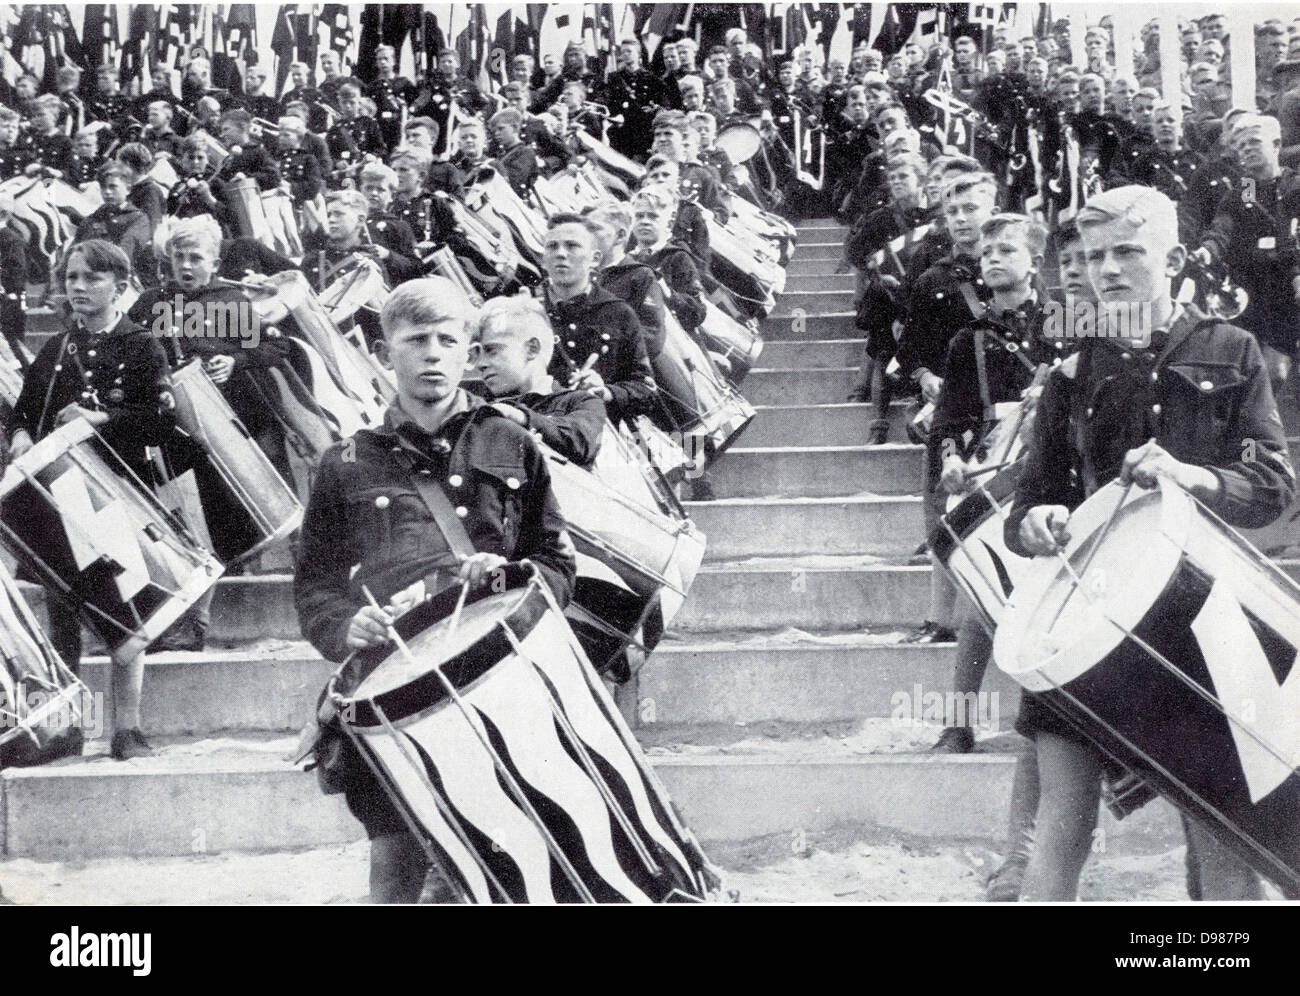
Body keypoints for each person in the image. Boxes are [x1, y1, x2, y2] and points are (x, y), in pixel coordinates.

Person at [1005, 185, 1296, 901]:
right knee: (1064, 821)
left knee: (1219, 831)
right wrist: (1037, 523)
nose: (1107, 270)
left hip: (1201, 621)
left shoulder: (1232, 349)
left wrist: (1194, 477)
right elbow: (1027, 504)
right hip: (1085, 623)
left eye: (1128, 251)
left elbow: (1275, 487)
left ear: (1172, 257)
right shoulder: (1073, 371)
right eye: (1095, 255)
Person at [294, 277, 576, 903]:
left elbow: (555, 563)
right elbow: (315, 584)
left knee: (504, 852)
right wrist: (346, 627)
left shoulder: (511, 442)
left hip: (499, 682)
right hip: (396, 690)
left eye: (448, 340)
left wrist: (505, 579)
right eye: (415, 339)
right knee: (394, 859)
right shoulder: (345, 463)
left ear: (467, 349)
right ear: (384, 350)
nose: (432, 352)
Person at [7, 240, 175, 760]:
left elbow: (164, 419)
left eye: (92, 279)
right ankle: (71, 726)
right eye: (73, 278)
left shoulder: (143, 344)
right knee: (62, 614)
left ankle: (128, 728)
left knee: (126, 610)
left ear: (120, 288)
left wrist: (102, 419)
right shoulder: (56, 350)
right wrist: (17, 437)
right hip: (63, 499)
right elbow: (24, 412)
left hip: (120, 492)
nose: (78, 287)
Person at [539, 213, 657, 427]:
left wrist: (607, 392)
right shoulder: (526, 306)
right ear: (543, 258)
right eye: (552, 247)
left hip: (594, 430)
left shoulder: (618, 313)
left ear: (594, 259)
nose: (561, 254)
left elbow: (646, 390)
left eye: (572, 246)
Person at [472, 295, 607, 466]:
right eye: (477, 354)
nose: (481, 364)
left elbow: (581, 441)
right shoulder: (476, 404)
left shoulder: (580, 402)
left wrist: (520, 417)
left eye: (491, 350)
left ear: (532, 349)